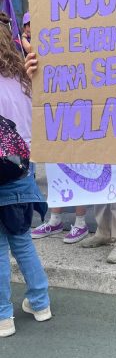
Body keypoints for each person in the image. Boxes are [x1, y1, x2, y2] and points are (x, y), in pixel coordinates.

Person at [2, 34, 50, 338]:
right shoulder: (26, 78)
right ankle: (41, 303)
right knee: (22, 241)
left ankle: (4, 317)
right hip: (21, 171)